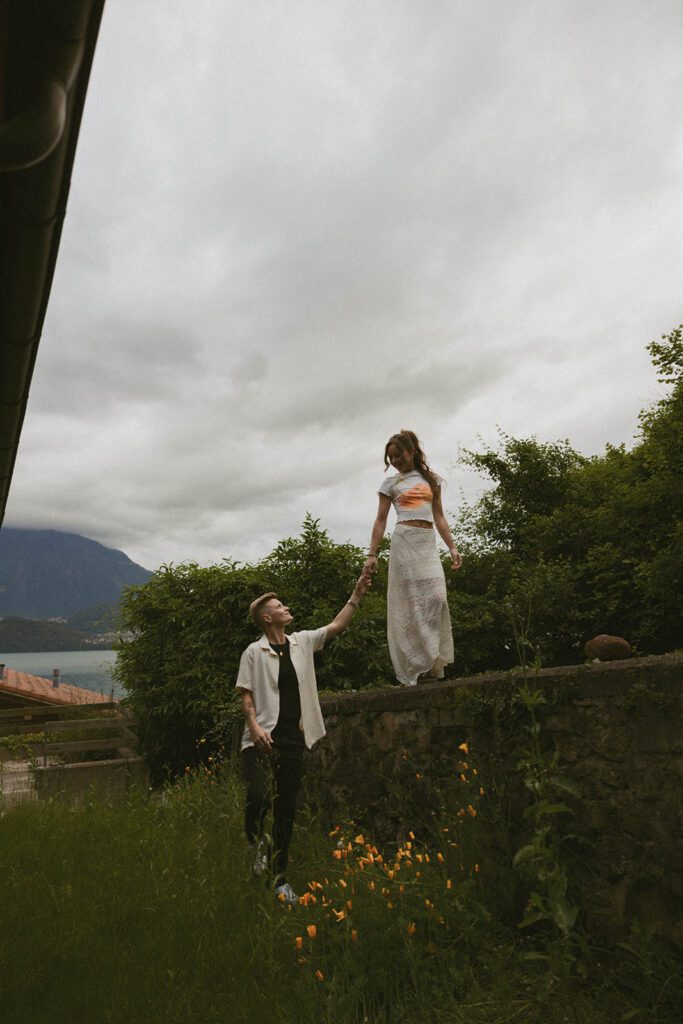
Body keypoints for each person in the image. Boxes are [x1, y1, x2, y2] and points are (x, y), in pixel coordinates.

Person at [235, 573, 371, 904]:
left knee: (285, 810)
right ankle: (256, 846)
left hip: (293, 739)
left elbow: (337, 625)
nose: (286, 608)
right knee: (258, 796)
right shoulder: (254, 651)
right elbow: (246, 694)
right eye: (280, 606)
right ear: (267, 617)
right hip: (262, 737)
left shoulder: (302, 642)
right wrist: (253, 727)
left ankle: (278, 880)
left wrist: (357, 592)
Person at [363, 429, 462, 686]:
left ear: (412, 452)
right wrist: (372, 554)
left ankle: (432, 660)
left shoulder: (431, 480)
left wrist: (452, 547)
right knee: (412, 604)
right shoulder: (391, 484)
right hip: (404, 540)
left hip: (427, 542)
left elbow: (439, 516)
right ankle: (422, 666)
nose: (395, 461)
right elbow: (381, 520)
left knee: (437, 598)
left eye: (398, 455)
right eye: (391, 457)